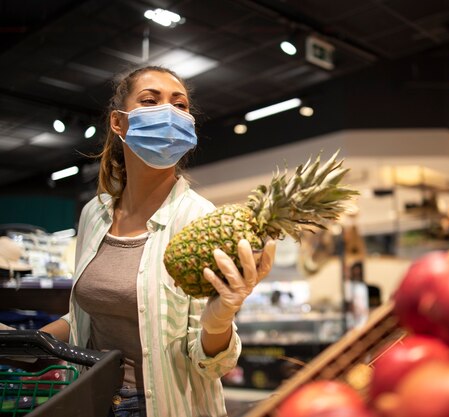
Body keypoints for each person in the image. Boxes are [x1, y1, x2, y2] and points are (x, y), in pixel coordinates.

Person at [38, 65, 276, 417]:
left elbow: (211, 366)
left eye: (180, 105)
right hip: (89, 398)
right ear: (119, 123)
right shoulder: (95, 213)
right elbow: (87, 316)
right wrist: (24, 339)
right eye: (151, 100)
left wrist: (219, 319)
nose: (169, 112)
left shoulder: (200, 220)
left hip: (163, 405)